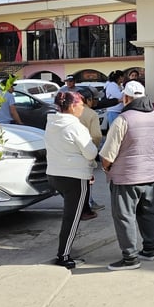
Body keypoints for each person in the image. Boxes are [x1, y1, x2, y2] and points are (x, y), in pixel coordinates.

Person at [99, 80, 154, 271]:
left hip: (125, 176)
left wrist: (106, 168)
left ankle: (130, 258)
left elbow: (108, 154)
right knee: (147, 213)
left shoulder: (123, 119)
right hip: (149, 174)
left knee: (124, 216)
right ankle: (149, 250)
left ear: (126, 97)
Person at [44, 91, 98, 269]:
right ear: (73, 106)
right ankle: (64, 255)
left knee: (70, 214)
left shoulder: (51, 123)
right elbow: (91, 152)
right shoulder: (76, 126)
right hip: (75, 177)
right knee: (73, 217)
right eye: (81, 104)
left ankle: (64, 250)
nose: (83, 108)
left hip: (54, 174)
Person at [77, 87, 103, 220]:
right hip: (87, 149)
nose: (95, 101)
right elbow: (97, 136)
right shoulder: (91, 113)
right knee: (87, 180)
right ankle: (87, 205)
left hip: (71, 152)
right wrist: (94, 149)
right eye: (93, 99)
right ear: (87, 100)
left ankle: (85, 203)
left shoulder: (70, 112)